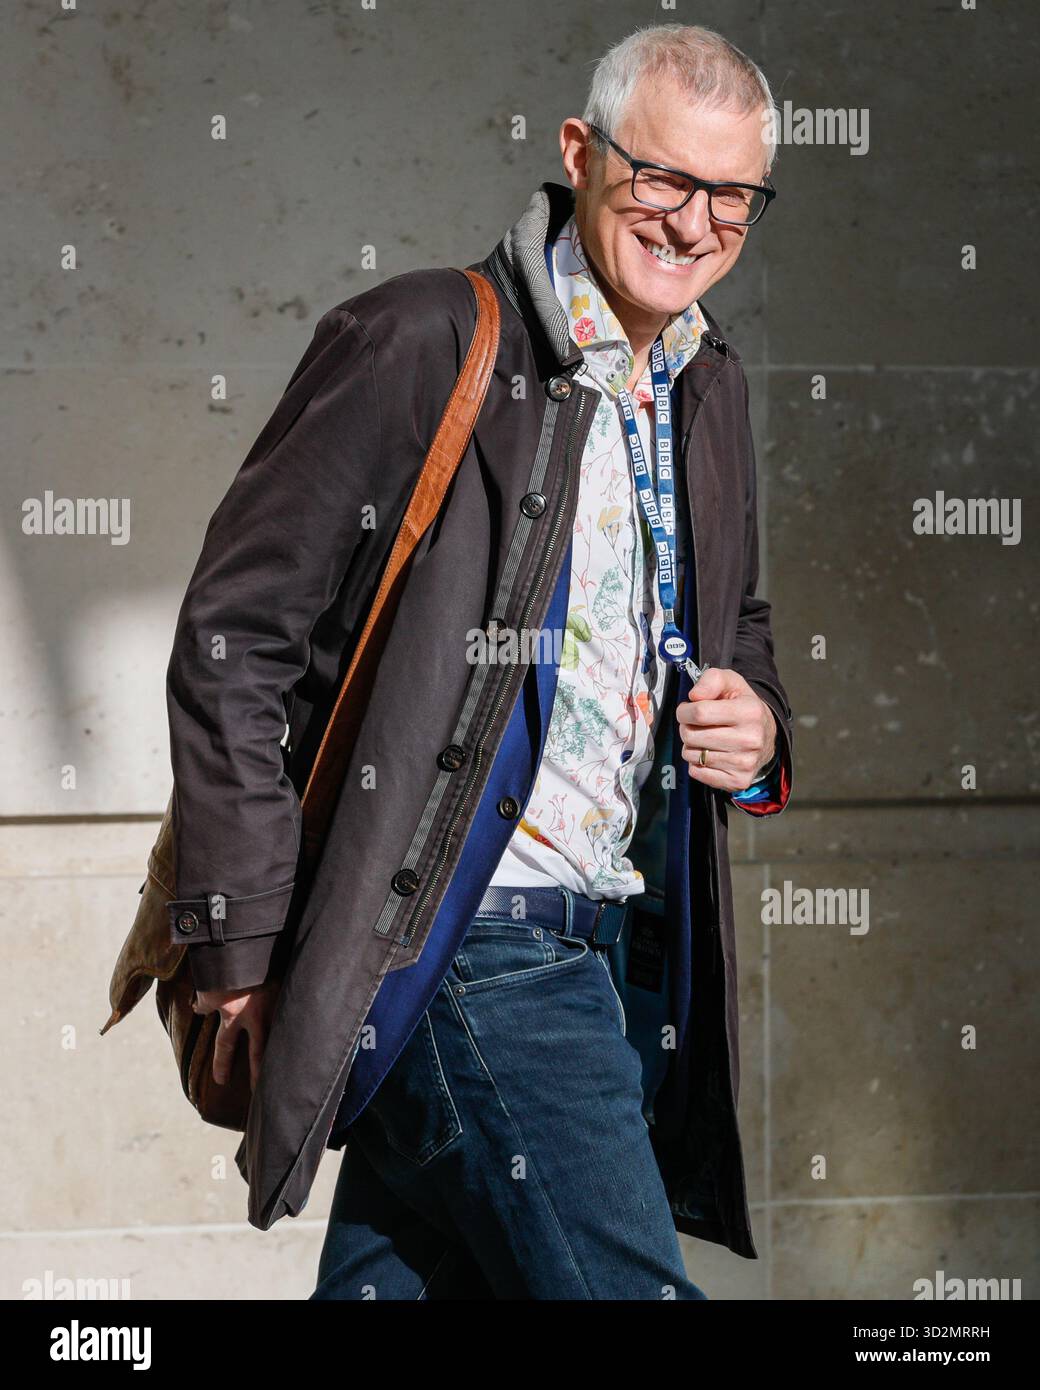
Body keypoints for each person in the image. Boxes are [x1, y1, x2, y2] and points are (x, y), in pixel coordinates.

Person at [166, 22, 793, 1300]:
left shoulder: (704, 380)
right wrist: (235, 931)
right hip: (465, 939)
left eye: (731, 194)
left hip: (608, 941)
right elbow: (234, 634)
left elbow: (739, 627)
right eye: (662, 178)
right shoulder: (423, 340)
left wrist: (761, 724)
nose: (692, 222)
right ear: (580, 152)